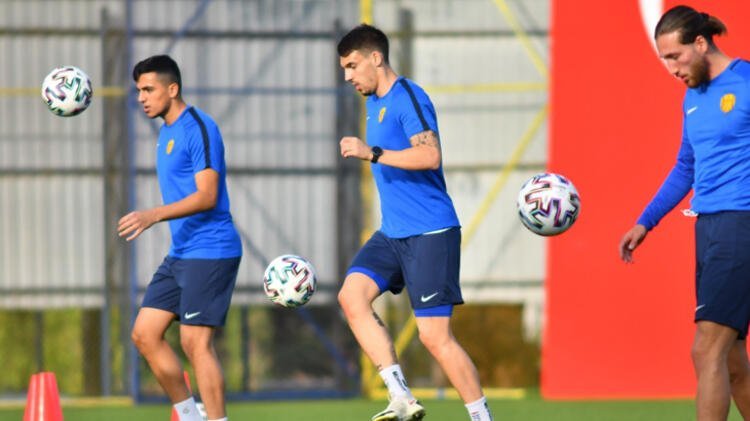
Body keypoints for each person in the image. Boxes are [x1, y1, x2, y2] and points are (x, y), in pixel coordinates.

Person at [336, 24, 494, 421]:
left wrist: (372, 152)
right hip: (393, 233)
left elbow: (429, 156)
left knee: (434, 338)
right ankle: (401, 396)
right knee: (351, 297)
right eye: (344, 69)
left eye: (352, 65)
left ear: (376, 58)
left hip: (430, 232)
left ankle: (482, 418)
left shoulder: (408, 96)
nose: (348, 76)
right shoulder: (374, 103)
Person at [619, 6, 750, 420]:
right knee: (732, 360)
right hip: (708, 228)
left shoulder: (746, 82)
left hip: (741, 224)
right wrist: (646, 220)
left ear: (700, 43)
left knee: (705, 348)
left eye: (675, 56)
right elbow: (685, 168)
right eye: (664, 60)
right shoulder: (692, 97)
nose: (671, 68)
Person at [119, 55, 242, 421]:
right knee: (144, 334)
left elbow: (208, 195)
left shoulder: (198, 127)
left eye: (148, 89)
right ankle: (190, 416)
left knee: (195, 342)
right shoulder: (166, 133)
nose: (142, 98)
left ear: (172, 89)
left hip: (212, 249)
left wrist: (153, 215)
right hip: (182, 253)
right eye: (139, 90)